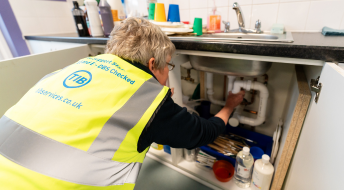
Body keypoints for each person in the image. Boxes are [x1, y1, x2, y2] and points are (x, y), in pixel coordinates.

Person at [0, 17, 245, 190]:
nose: (168, 72)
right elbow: (204, 132)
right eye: (168, 66)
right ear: (152, 65)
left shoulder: (72, 68)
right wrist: (230, 106)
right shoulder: (148, 101)